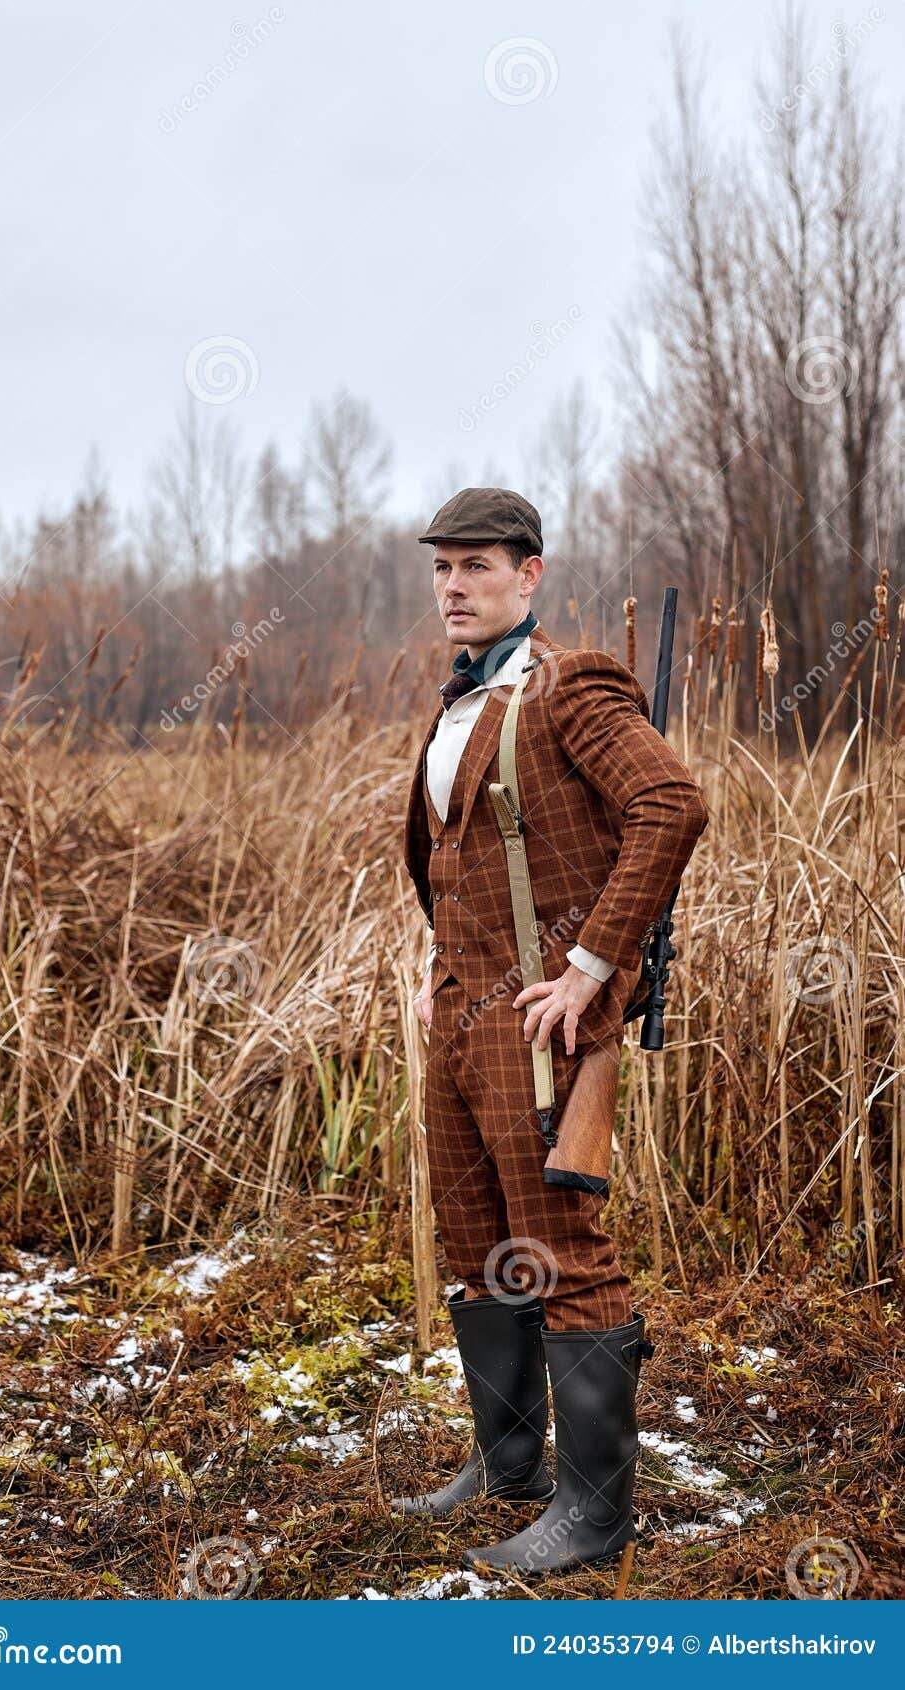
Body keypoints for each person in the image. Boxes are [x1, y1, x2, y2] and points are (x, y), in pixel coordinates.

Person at [394, 486, 709, 1577]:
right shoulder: (453, 706)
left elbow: (669, 804)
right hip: (461, 1019)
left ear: (529, 575)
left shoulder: (568, 685)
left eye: (476, 565)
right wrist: (440, 971)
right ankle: (509, 1463)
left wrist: (588, 965)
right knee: (476, 1248)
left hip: (542, 1022)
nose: (452, 585)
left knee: (564, 1260)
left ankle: (591, 1512)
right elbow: (456, 862)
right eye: (442, 567)